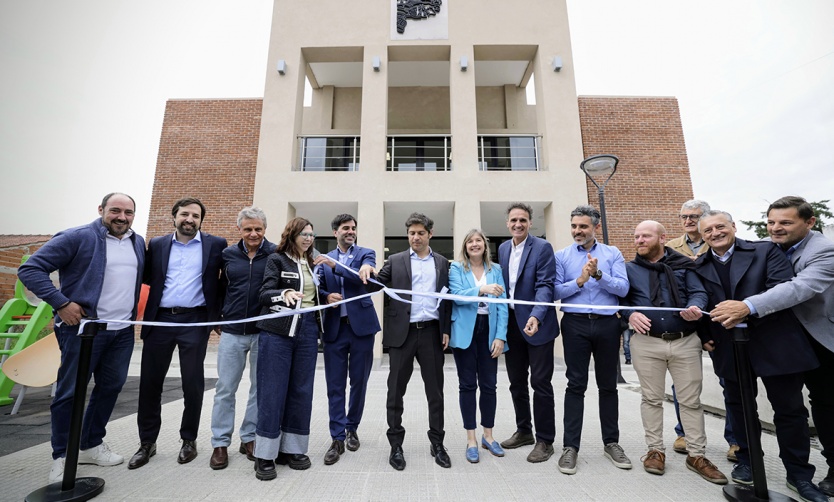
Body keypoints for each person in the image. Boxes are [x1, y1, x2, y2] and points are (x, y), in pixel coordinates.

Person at [699, 208, 828, 501]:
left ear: (732, 226)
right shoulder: (698, 264)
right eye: (708, 231)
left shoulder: (765, 250)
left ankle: (799, 475)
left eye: (720, 227)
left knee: (790, 411)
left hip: (775, 343)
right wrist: (705, 336)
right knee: (740, 409)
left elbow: (781, 288)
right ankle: (747, 462)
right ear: (702, 235)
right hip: (728, 347)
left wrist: (743, 311)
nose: (715, 233)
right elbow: (698, 302)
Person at [18, 193, 145, 482]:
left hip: (121, 332)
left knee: (111, 387)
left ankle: (90, 444)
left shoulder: (138, 242)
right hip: (83, 332)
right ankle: (61, 456)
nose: (121, 217)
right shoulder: (77, 237)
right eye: (115, 210)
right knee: (69, 393)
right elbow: (30, 269)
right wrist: (61, 303)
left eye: (128, 212)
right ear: (101, 209)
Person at [620, 221, 727, 484]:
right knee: (651, 399)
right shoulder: (628, 269)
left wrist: (694, 307)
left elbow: (699, 293)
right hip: (646, 343)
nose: (639, 240)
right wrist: (630, 314)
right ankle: (655, 450)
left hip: (685, 341)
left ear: (662, 237)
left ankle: (697, 455)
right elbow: (619, 300)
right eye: (636, 236)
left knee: (691, 401)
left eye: (645, 236)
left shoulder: (683, 264)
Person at [130, 197, 227, 469]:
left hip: (195, 321)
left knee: (192, 384)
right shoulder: (158, 244)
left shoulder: (216, 245)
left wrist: (216, 315)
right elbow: (148, 278)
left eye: (196, 216)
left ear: (201, 220)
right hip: (160, 320)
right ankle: (146, 443)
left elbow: (223, 283)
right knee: (150, 384)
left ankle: (189, 440)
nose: (190, 220)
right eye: (185, 214)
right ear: (174, 217)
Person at [371, 212, 452, 471]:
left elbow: (447, 299)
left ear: (430, 234)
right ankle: (395, 444)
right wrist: (365, 270)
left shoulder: (441, 262)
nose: (415, 237)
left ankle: (437, 443)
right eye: (411, 233)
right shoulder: (394, 260)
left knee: (435, 392)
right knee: (395, 392)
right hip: (401, 335)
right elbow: (374, 284)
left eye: (420, 233)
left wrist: (445, 329)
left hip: (431, 332)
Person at [553, 205, 631, 474]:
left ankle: (612, 443)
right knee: (575, 384)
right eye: (574, 226)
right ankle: (570, 448)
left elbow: (623, 288)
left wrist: (599, 274)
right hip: (574, 324)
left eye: (583, 226)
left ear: (595, 227)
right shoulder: (561, 256)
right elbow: (555, 290)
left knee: (608, 385)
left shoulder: (612, 253)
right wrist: (581, 280)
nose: (577, 231)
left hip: (608, 324)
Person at [252, 217, 324, 481]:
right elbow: (264, 293)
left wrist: (328, 298)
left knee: (301, 391)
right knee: (273, 391)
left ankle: (292, 450)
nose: (308, 238)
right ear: (292, 235)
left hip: (307, 331)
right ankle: (265, 454)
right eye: (304, 234)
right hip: (278, 331)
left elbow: (312, 296)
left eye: (311, 234)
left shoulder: (313, 263)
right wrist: (283, 294)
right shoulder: (277, 259)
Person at [666, 200, 738, 462]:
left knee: (728, 382)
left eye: (694, 216)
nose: (688, 221)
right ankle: (683, 432)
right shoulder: (670, 247)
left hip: (718, 320)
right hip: (686, 322)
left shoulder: (717, 240)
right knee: (682, 385)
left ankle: (735, 440)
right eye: (683, 216)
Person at [209, 207, 276, 470]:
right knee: (225, 389)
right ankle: (220, 442)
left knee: (258, 389)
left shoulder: (274, 253)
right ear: (240, 229)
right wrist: (217, 318)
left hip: (263, 332)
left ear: (264, 229)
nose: (253, 233)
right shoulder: (227, 254)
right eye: (248, 229)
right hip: (232, 332)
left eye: (258, 229)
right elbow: (216, 288)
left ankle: (249, 438)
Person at [317, 214, 380, 465]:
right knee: (335, 385)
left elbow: (367, 279)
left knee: (359, 382)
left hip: (362, 328)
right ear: (335, 232)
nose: (350, 231)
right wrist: (325, 296)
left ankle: (352, 427)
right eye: (345, 228)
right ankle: (337, 437)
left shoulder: (367, 254)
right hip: (334, 329)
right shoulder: (323, 260)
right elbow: (316, 288)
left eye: (353, 228)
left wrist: (337, 267)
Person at [497, 202, 558, 463]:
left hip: (538, 324)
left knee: (540, 383)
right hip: (511, 324)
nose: (518, 224)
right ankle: (524, 431)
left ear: (530, 222)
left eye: (522, 220)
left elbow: (545, 285)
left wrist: (535, 315)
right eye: (513, 220)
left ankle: (545, 440)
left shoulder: (542, 247)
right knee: (516, 382)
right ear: (507, 223)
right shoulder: (501, 248)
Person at [448, 228, 509, 463]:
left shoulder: (496, 270)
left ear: (485, 245)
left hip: (489, 330)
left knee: (489, 385)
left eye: (479, 241)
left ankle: (489, 436)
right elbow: (456, 295)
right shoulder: (456, 268)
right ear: (465, 246)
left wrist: (500, 336)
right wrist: (481, 289)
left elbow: (503, 304)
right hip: (465, 331)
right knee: (467, 385)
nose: (475, 244)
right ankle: (471, 439)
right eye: (470, 241)